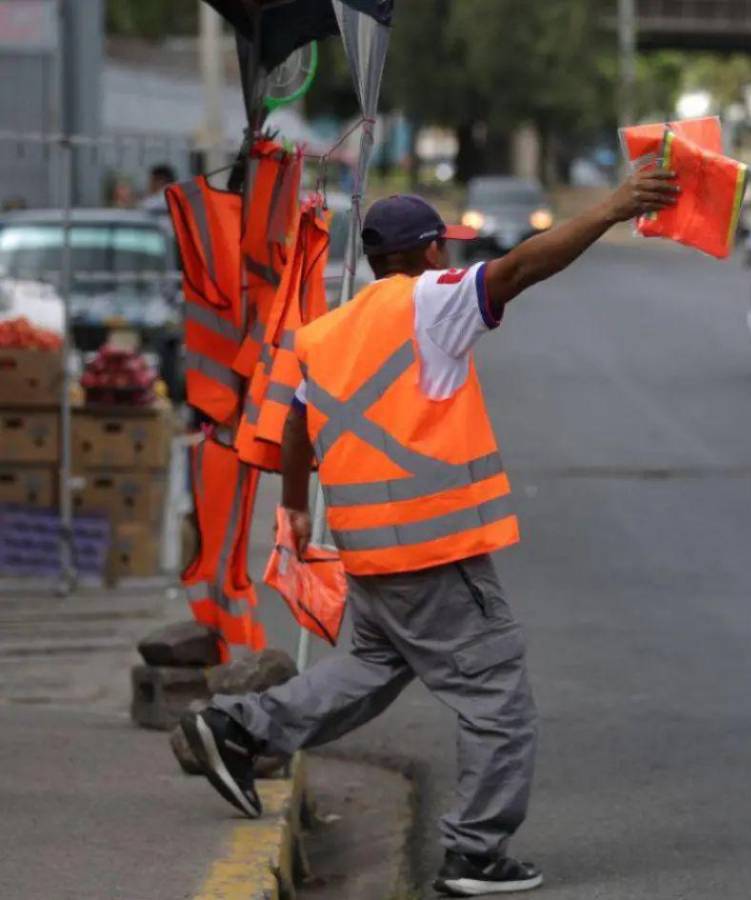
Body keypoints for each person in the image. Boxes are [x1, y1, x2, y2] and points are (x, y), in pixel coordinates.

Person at [179, 165, 679, 897]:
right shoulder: (433, 303)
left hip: (369, 551)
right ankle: (475, 852)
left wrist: (291, 510)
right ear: (425, 254)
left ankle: (238, 728)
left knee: (367, 673)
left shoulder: (324, 334)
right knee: (498, 700)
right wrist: (611, 208)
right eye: (441, 248)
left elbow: (293, 423)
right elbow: (519, 268)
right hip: (433, 550)